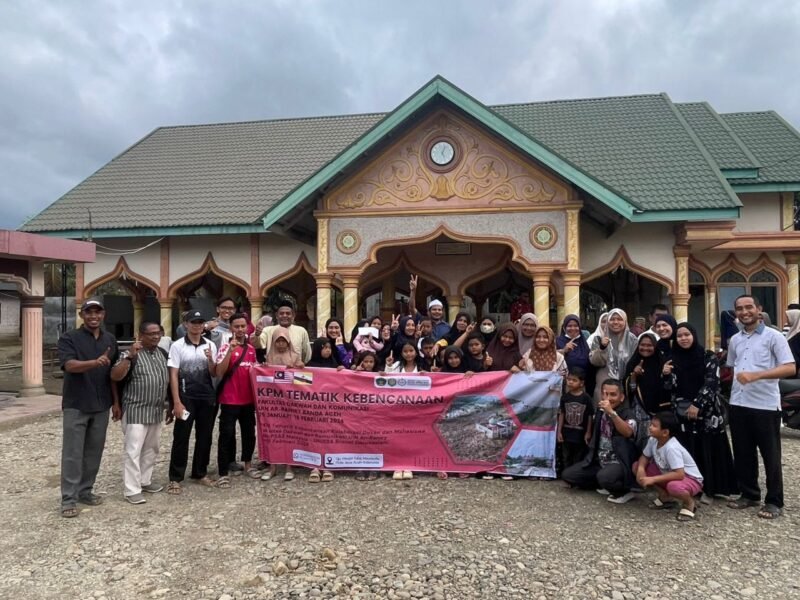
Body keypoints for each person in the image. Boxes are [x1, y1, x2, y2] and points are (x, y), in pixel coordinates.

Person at [726, 295, 795, 519]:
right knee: (743, 452)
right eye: (739, 308)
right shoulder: (735, 339)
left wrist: (757, 375)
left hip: (764, 404)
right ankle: (749, 494)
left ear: (759, 309)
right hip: (739, 402)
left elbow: (789, 368)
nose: (744, 312)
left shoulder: (774, 337)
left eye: (748, 307)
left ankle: (774, 501)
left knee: (770, 455)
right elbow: (732, 367)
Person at [57, 299, 119, 518]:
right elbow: (69, 365)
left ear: (103, 314)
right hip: (77, 404)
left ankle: (85, 491)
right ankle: (68, 499)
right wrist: (94, 362)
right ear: (82, 315)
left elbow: (113, 374)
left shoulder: (109, 339)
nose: (94, 316)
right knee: (73, 453)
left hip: (101, 404)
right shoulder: (69, 338)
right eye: (89, 312)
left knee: (94, 451)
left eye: (98, 312)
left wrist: (116, 403)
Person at [666, 321, 737, 501]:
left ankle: (711, 489)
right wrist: (665, 374)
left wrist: (697, 404)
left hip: (706, 412)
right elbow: (669, 387)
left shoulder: (708, 356)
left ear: (694, 335)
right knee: (689, 448)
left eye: (686, 335)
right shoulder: (673, 358)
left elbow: (712, 383)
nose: (683, 339)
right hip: (681, 412)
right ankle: (692, 487)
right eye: (679, 336)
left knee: (708, 447)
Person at [110, 321, 170, 505]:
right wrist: (129, 357)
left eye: (158, 333)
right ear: (141, 335)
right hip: (135, 409)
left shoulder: (161, 353)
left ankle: (145, 480)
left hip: (155, 409)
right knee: (133, 450)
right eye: (151, 334)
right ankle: (132, 489)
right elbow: (114, 376)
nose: (155, 336)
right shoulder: (130, 354)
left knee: (152, 448)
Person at [561, 379, 640, 504]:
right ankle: (605, 484)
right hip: (599, 461)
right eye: (605, 394)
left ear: (621, 397)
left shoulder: (627, 413)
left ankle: (624, 492)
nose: (608, 398)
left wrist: (612, 414)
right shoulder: (600, 411)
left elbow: (628, 432)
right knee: (568, 475)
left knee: (605, 477)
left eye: (613, 394)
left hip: (619, 462)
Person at [167, 310, 218, 494]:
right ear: (186, 324)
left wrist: (211, 359)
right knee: (181, 437)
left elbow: (213, 373)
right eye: (193, 322)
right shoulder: (178, 346)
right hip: (186, 396)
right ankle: (175, 477)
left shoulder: (211, 345)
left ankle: (200, 472)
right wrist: (176, 401)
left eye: (200, 322)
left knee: (205, 436)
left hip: (206, 396)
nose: (197, 326)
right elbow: (173, 374)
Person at [214, 313, 259, 490]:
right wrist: (231, 351)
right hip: (229, 399)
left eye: (243, 326)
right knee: (226, 434)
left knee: (249, 432)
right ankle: (223, 472)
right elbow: (219, 372)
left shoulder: (251, 349)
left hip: (248, 400)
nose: (240, 330)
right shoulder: (225, 347)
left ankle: (248, 464)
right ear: (231, 328)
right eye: (236, 326)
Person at [635, 411, 704, 521]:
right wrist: (641, 469)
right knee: (637, 465)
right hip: (669, 474)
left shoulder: (671, 448)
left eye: (654, 426)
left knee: (674, 486)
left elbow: (679, 474)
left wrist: (652, 479)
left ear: (665, 432)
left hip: (690, 479)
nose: (650, 427)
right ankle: (665, 497)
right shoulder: (653, 440)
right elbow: (645, 456)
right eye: (651, 424)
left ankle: (689, 503)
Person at [261, 327, 305, 482]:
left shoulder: (295, 356)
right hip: (273, 403)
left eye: (283, 341)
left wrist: (299, 367)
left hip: (291, 403)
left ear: (288, 342)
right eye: (277, 341)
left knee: (290, 434)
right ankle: (272, 466)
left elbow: (304, 378)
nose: (280, 344)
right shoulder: (270, 356)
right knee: (273, 434)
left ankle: (289, 466)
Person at [589, 308, 638, 407]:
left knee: (623, 414)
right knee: (603, 413)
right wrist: (602, 348)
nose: (615, 322)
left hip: (625, 382)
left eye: (619, 319)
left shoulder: (632, 339)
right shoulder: (599, 338)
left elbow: (635, 361)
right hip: (604, 382)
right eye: (612, 319)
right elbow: (595, 362)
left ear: (625, 321)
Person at [623, 332, 669, 416]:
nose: (645, 348)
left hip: (660, 410)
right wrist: (634, 375)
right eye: (642, 345)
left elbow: (668, 387)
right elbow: (630, 391)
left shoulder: (662, 363)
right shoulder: (633, 363)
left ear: (655, 346)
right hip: (639, 410)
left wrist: (666, 374)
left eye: (649, 345)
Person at [558, 367, 594, 470]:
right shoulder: (565, 397)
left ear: (581, 383)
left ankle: (574, 477)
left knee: (578, 456)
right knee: (566, 456)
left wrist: (588, 432)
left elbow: (590, 416)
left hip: (580, 434)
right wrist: (559, 431)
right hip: (566, 432)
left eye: (574, 380)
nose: (570, 382)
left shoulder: (586, 398)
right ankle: (566, 476)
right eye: (569, 379)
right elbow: (562, 414)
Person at [408, 274, 450, 341]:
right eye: (434, 309)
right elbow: (412, 308)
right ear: (429, 312)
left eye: (439, 310)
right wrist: (413, 291)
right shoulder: (422, 320)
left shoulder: (447, 327)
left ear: (442, 312)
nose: (437, 311)